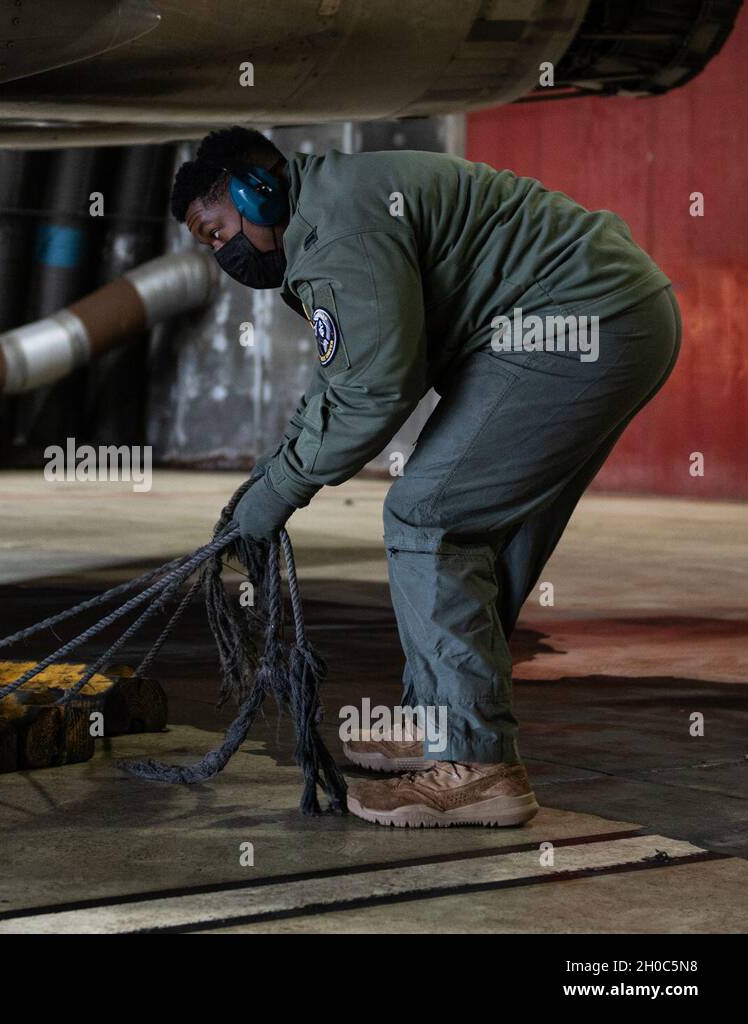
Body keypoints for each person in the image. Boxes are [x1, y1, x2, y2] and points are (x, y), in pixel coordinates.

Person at [170, 127, 681, 827]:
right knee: (485, 533)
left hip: (575, 322)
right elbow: (341, 378)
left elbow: (375, 391)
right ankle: (447, 727)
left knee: (428, 519)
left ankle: (475, 767)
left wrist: (278, 496)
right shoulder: (332, 211)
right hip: (613, 315)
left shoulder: (339, 236)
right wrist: (267, 480)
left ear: (255, 193)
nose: (222, 252)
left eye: (216, 230)